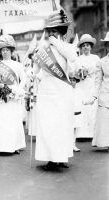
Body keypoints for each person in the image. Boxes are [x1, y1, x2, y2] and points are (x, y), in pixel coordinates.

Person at [32, 9, 79, 170]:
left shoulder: (67, 48)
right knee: (48, 125)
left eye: (55, 31)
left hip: (63, 91)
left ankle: (61, 157)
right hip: (46, 91)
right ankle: (51, 159)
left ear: (61, 32)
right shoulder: (42, 50)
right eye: (50, 31)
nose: (52, 34)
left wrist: (57, 44)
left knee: (63, 125)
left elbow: (73, 60)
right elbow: (35, 71)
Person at [0, 35, 26, 154]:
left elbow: (24, 79)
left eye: (7, 50)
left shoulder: (17, 65)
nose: (5, 52)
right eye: (3, 50)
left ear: (11, 51)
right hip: (0, 96)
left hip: (13, 95)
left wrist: (18, 90)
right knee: (1, 121)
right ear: (0, 52)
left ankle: (15, 146)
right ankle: (0, 147)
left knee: (13, 120)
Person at [75, 34, 100, 140]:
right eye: (84, 45)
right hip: (82, 85)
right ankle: (81, 133)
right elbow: (75, 72)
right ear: (81, 47)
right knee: (82, 107)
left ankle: (92, 133)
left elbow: (98, 72)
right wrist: (80, 72)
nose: (86, 47)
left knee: (92, 108)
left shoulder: (96, 58)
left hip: (92, 84)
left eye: (88, 45)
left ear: (91, 47)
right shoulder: (78, 59)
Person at [88, 32, 109, 150]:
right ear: (106, 47)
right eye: (108, 45)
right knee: (105, 120)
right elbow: (97, 81)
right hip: (105, 95)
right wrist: (94, 96)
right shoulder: (101, 62)